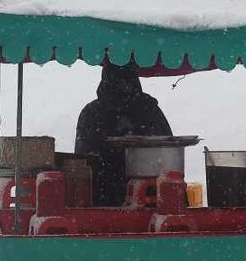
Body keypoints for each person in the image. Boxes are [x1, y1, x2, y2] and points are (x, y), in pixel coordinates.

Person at [74, 63, 172, 206]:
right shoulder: (148, 108)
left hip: (134, 197)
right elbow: (82, 162)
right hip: (128, 197)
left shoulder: (148, 109)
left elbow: (166, 152)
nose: (122, 85)